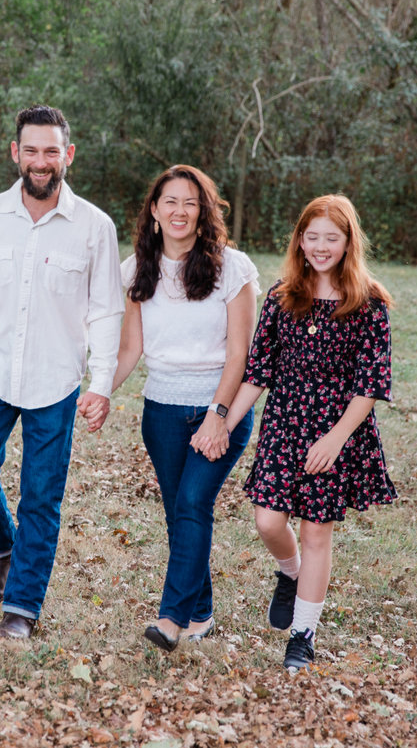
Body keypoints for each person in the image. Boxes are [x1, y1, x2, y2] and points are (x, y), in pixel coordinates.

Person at [0, 104, 124, 641]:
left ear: (68, 155)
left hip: (56, 381)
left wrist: (102, 383)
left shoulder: (94, 227)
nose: (41, 162)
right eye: (31, 150)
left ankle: (21, 609)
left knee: (41, 496)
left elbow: (106, 310)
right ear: (15, 153)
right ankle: (0, 548)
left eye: (51, 151)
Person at [216, 194, 395, 671]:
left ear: (348, 242)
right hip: (285, 425)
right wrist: (224, 424)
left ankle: (303, 634)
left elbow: (371, 384)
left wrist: (336, 439)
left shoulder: (369, 303)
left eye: (331, 238)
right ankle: (289, 573)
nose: (320, 246)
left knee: (317, 530)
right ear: (299, 239)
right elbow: (257, 372)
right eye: (311, 236)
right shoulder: (282, 297)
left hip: (337, 431)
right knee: (269, 522)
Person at [111, 165, 260, 652]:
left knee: (194, 503)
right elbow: (130, 349)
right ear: (154, 211)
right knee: (181, 513)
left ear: (204, 213)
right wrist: (99, 392)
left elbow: (241, 353)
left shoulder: (232, 269)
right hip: (162, 413)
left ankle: (171, 618)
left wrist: (219, 415)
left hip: (221, 408)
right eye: (170, 201)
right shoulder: (136, 271)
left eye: (190, 203)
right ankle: (201, 613)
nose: (179, 211)